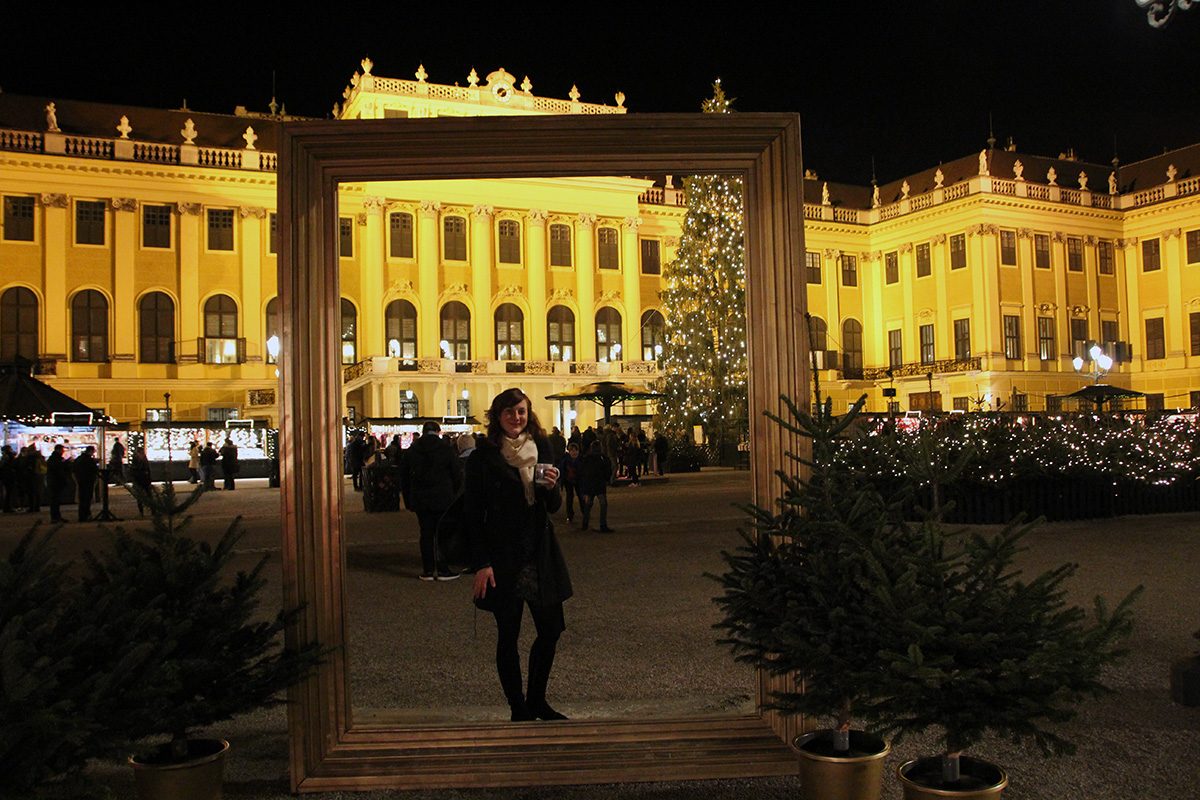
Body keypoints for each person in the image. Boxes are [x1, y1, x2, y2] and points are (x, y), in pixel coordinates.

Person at [465, 387, 570, 722]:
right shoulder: (484, 457)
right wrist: (481, 563)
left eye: (521, 411)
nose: (516, 418)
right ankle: (518, 707)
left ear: (529, 413)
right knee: (508, 634)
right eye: (509, 412)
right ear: (498, 416)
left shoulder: (542, 446)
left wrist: (552, 488)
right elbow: (471, 514)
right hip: (503, 557)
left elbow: (552, 507)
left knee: (551, 628)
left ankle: (537, 699)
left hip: (539, 553)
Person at [402, 421, 462, 581]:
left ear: (423, 431)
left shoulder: (412, 450)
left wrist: (408, 500)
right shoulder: (446, 449)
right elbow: (456, 475)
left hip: (420, 498)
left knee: (426, 533)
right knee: (442, 533)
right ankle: (443, 569)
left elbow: (404, 478)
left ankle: (428, 570)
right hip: (443, 497)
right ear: (438, 431)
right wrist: (454, 494)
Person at [577, 440, 614, 532]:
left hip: (589, 484)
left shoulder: (586, 458)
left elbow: (582, 472)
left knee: (588, 504)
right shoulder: (603, 458)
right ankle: (603, 525)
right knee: (603, 504)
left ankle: (585, 524)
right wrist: (607, 479)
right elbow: (608, 470)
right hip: (599, 484)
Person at [73, 445, 100, 522]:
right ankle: (86, 515)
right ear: (91, 451)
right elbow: (94, 470)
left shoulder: (79, 459)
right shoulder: (89, 460)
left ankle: (82, 516)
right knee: (87, 499)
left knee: (82, 499)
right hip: (88, 481)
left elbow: (74, 469)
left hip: (81, 480)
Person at [556, 442, 581, 524]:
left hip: (578, 480)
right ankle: (570, 515)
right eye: (572, 450)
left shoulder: (581, 460)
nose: (574, 452)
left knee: (581, 496)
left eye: (576, 450)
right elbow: (561, 470)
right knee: (569, 497)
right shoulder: (565, 460)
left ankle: (585, 512)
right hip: (568, 480)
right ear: (569, 451)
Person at [129, 445, 153, 516]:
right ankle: (144, 511)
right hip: (141, 479)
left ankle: (148, 511)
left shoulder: (138, 460)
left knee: (146, 496)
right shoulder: (141, 459)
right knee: (144, 496)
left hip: (142, 479)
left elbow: (147, 470)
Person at [46, 444, 67, 523]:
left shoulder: (53, 458)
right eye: (62, 450)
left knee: (55, 500)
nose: (63, 452)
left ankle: (56, 517)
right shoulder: (56, 459)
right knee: (55, 500)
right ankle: (55, 517)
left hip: (54, 481)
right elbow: (58, 470)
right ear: (58, 450)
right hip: (55, 482)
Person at [0, 445, 15, 512]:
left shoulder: (4, 457)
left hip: (5, 477)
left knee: (7, 493)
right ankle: (8, 507)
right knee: (9, 492)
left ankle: (6, 507)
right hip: (10, 476)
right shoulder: (10, 456)